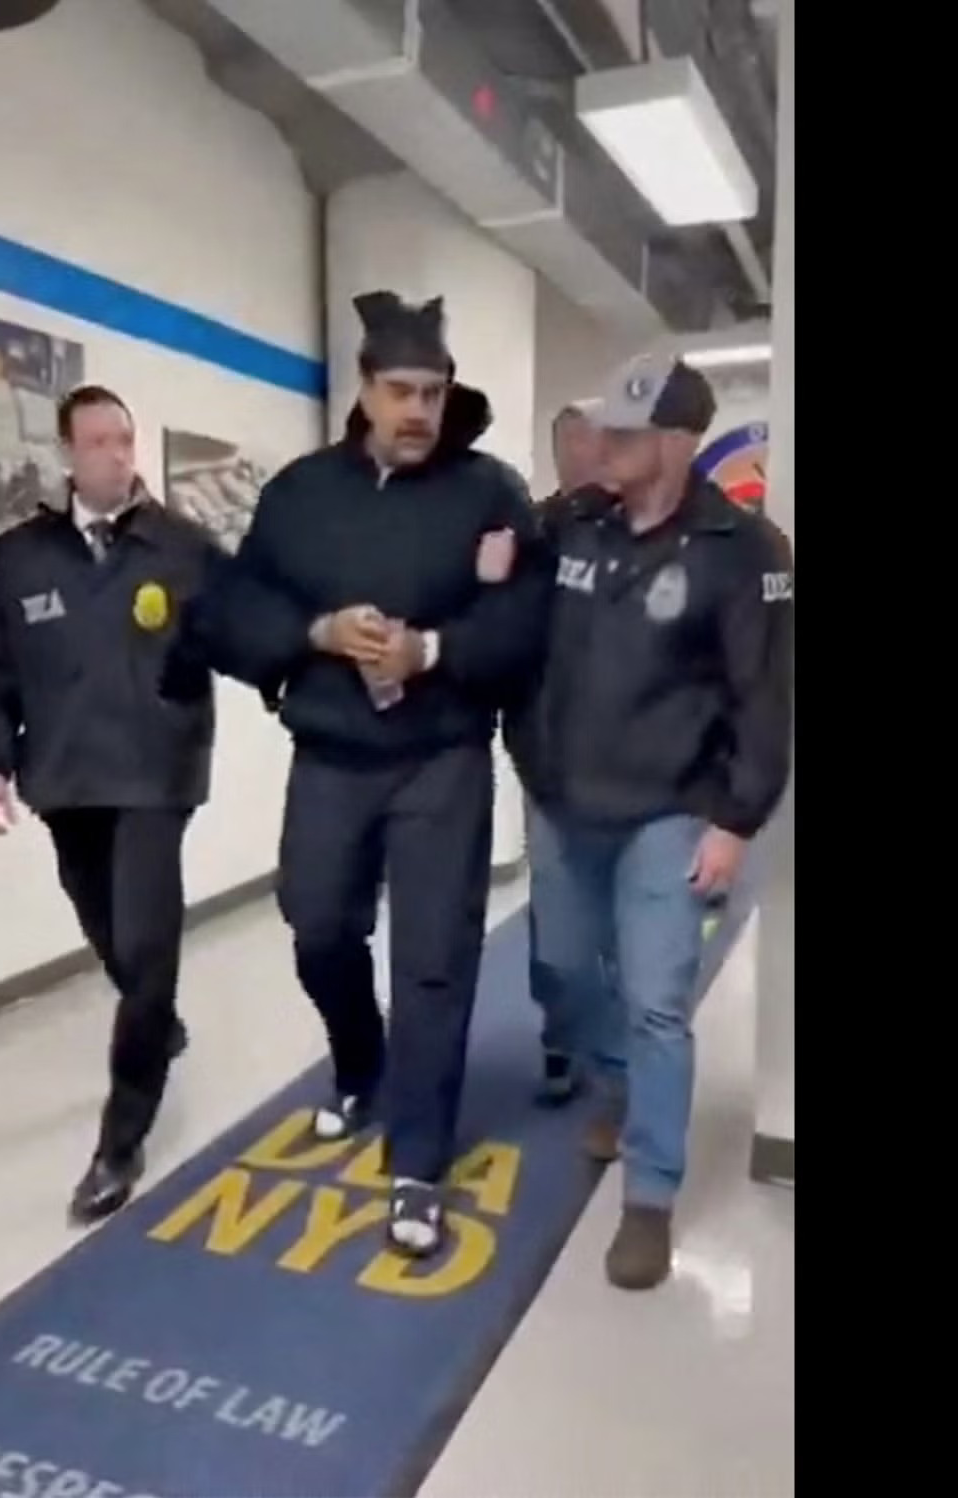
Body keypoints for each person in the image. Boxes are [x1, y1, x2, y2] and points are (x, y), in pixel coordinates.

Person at [190, 291, 547, 1259]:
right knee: (317, 926)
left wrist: (433, 650)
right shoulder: (300, 495)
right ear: (363, 389)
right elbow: (229, 612)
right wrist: (314, 632)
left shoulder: (490, 494)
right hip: (331, 756)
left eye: (432, 392)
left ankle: (417, 1161)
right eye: (400, 391)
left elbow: (526, 622)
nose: (418, 411)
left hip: (443, 760)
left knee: (432, 959)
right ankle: (361, 1063)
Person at [503, 353, 794, 1290]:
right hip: (562, 801)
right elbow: (509, 622)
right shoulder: (571, 523)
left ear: (675, 443)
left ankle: (650, 1195)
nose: (603, 445)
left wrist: (735, 822)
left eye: (624, 433)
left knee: (656, 999)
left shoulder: (742, 551)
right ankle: (618, 1078)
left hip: (669, 812)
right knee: (560, 968)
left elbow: (764, 700)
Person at [0, 384, 221, 1223]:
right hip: (65, 779)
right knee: (108, 930)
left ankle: (120, 1141)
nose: (116, 455)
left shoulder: (182, 547)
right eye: (98, 441)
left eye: (124, 439)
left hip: (154, 776)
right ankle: (156, 1020)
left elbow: (246, 628)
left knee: (145, 947)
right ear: (68, 453)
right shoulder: (18, 557)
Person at [520, 400, 612, 1107]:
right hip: (549, 766)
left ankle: (617, 1076)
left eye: (598, 441)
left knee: (630, 932)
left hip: (639, 770)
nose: (588, 453)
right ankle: (560, 1033)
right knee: (558, 936)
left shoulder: (644, 531)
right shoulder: (532, 533)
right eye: (574, 442)